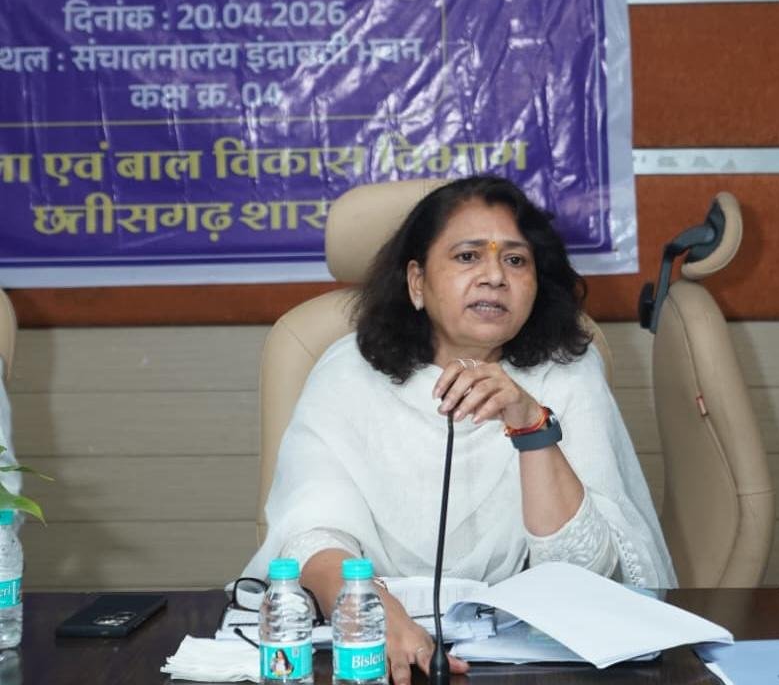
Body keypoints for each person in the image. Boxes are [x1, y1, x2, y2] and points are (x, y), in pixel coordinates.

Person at [243, 175, 676, 684]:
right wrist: (371, 613)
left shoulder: (566, 375)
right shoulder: (349, 374)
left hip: (522, 659)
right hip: (366, 649)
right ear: (417, 282)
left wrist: (530, 425)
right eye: (468, 256)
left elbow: (587, 574)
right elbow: (311, 535)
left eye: (516, 260)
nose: (494, 276)